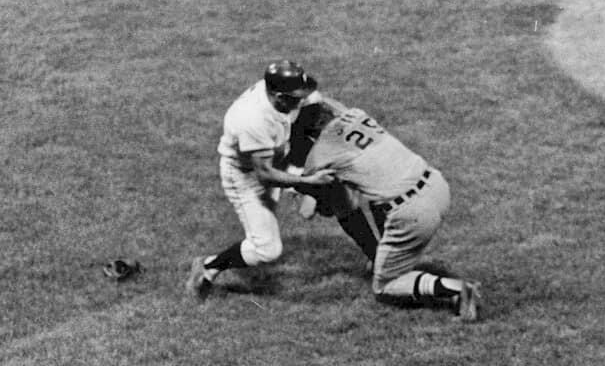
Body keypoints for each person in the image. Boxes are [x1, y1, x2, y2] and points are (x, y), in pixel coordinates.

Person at [295, 103, 481, 321]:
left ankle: (457, 288)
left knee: (385, 286)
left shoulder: (319, 154)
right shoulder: (356, 114)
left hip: (413, 213)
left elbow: (307, 212)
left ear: (313, 131)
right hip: (438, 186)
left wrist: (298, 185)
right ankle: (384, 259)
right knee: (375, 197)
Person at [185, 60, 341, 299]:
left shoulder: (279, 96)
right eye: (295, 97)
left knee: (322, 203)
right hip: (246, 178)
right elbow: (265, 175)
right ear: (279, 96)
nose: (300, 100)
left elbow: (314, 98)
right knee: (267, 250)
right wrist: (309, 182)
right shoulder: (252, 119)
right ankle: (207, 266)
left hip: (274, 157)